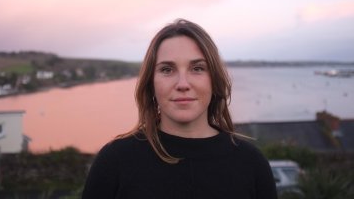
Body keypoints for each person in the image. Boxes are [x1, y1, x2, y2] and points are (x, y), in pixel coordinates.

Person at [82, 19, 278, 199]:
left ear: (214, 80)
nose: (183, 84)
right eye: (167, 70)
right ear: (151, 82)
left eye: (197, 68)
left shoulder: (251, 163)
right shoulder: (114, 161)